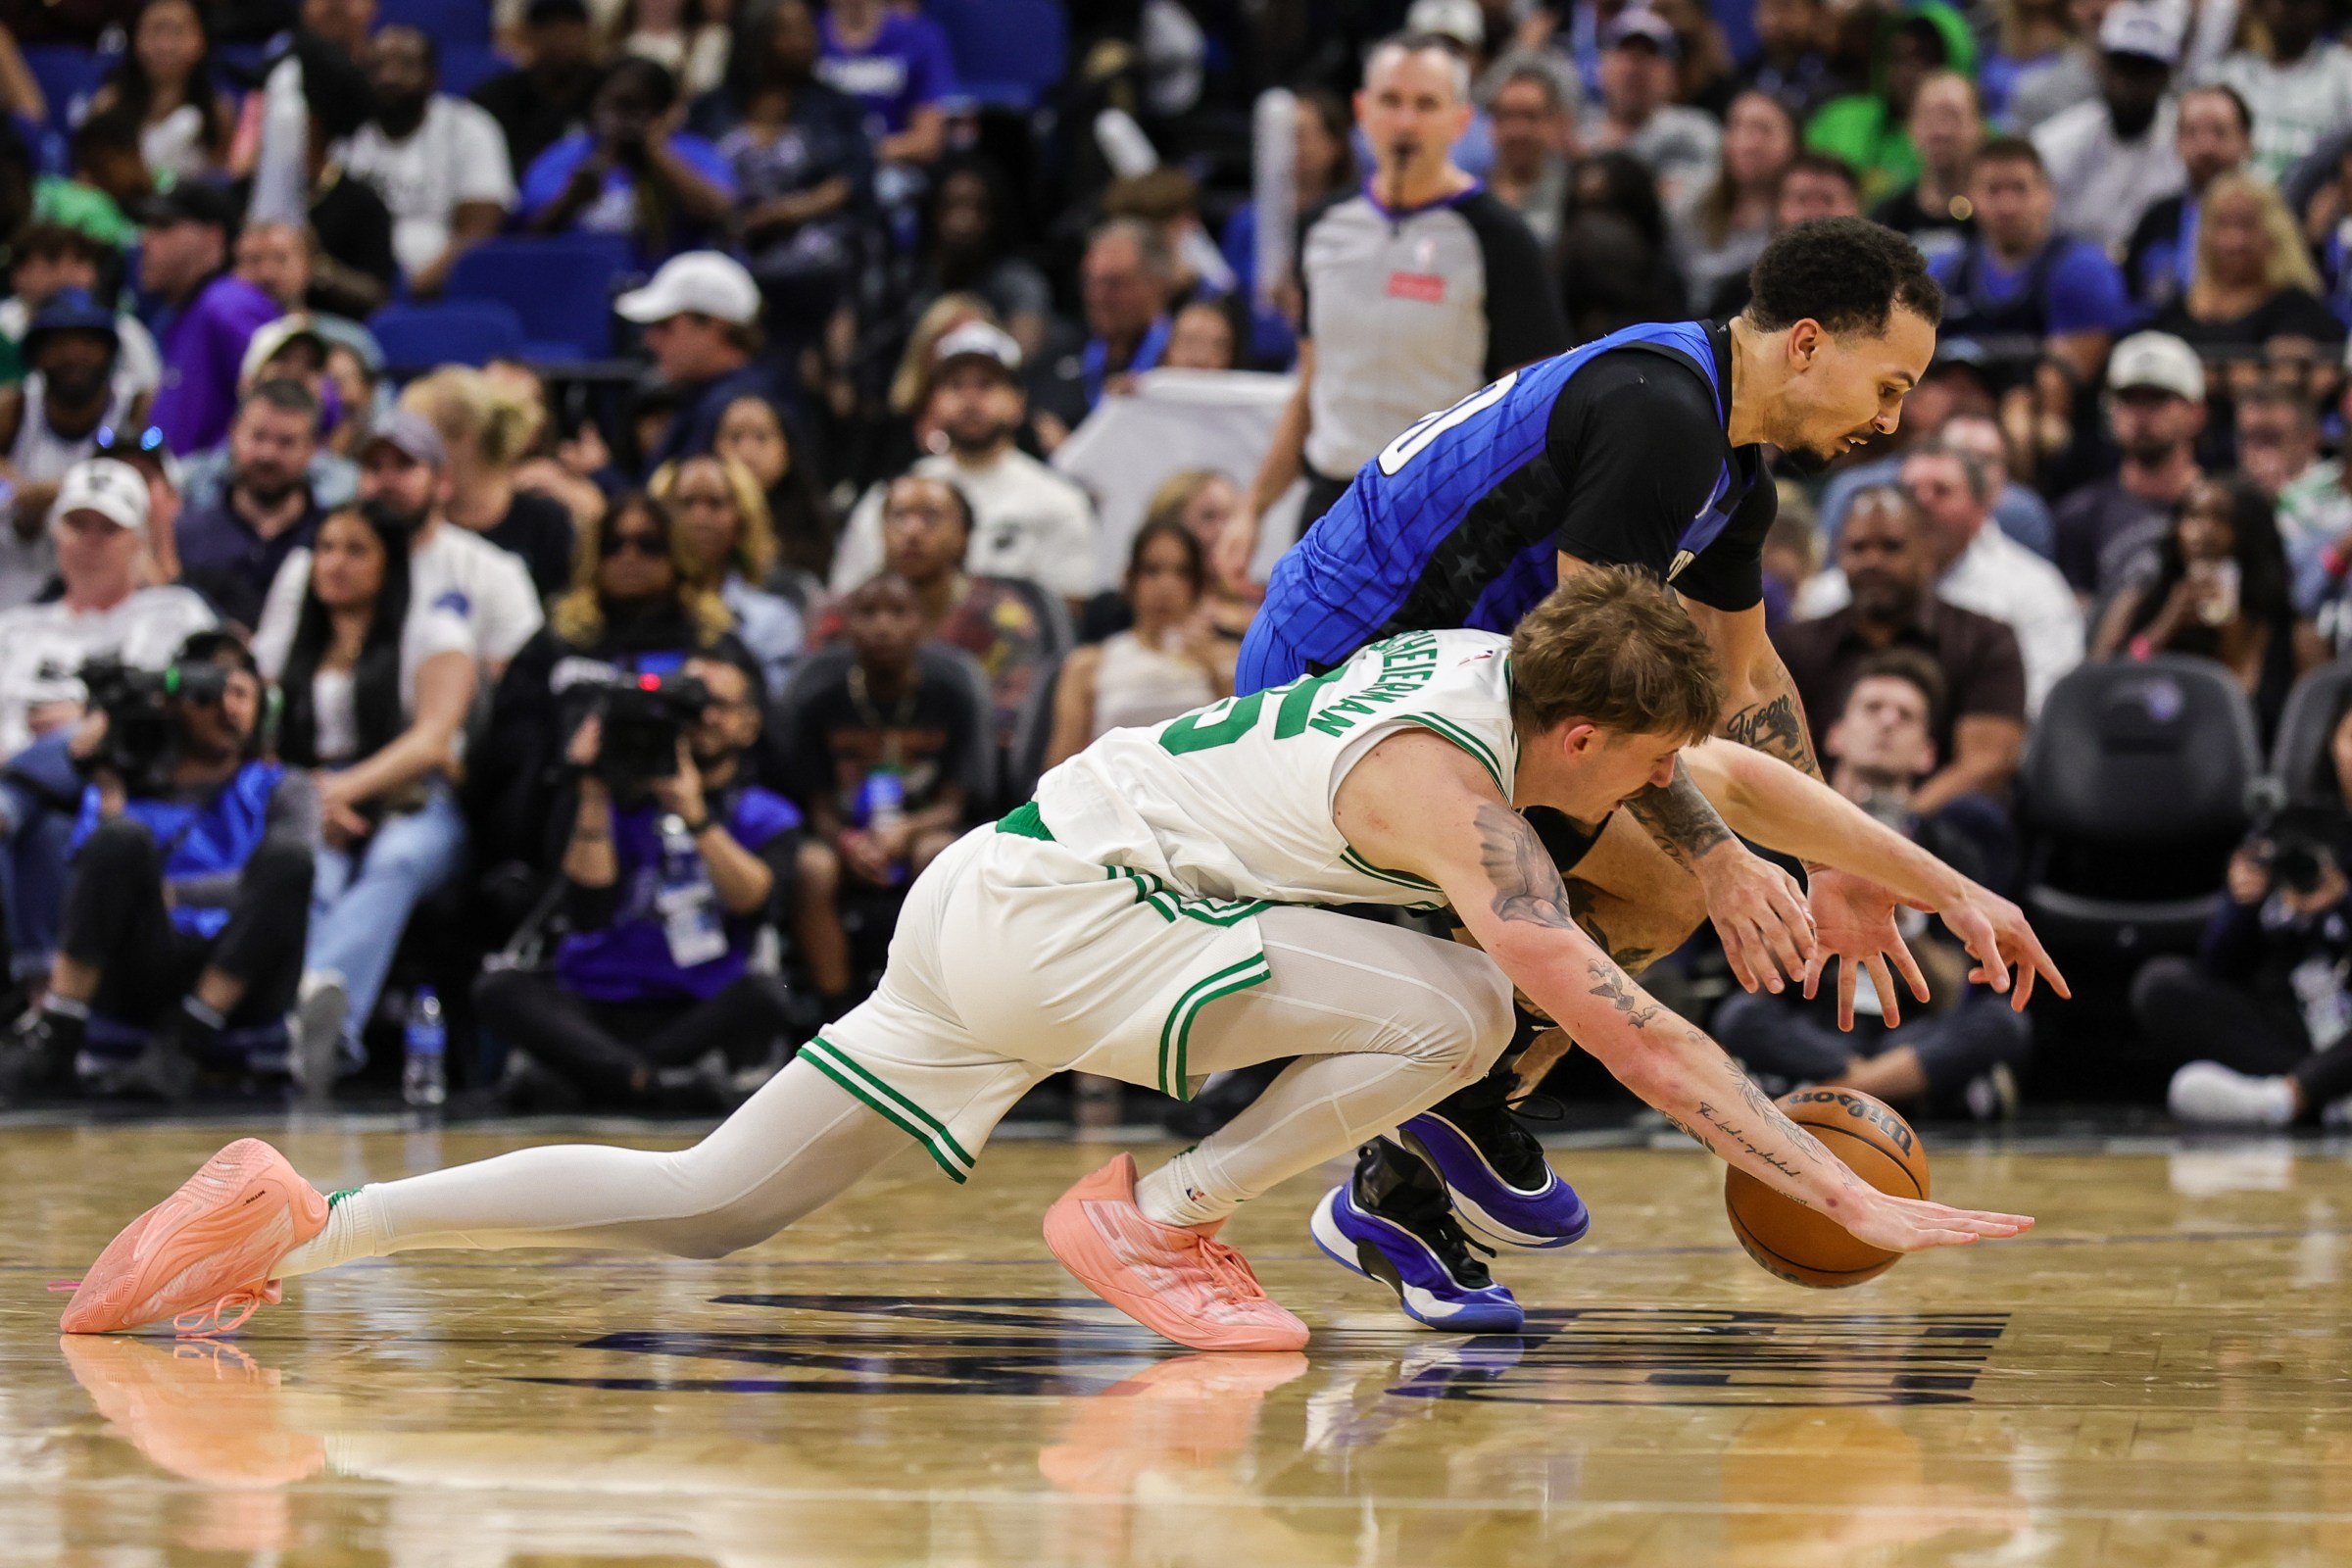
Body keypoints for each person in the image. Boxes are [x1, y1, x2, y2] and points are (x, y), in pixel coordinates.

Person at [52, 569, 2053, 1345]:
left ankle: (303, 1220)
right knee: (1463, 1000)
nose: (1664, 797)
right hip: (1082, 917)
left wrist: (1945, 879)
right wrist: (1824, 1184)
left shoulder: (1510, 667)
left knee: (707, 1202)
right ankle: (1167, 1210)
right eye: (1647, 772)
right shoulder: (1456, 792)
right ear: (1587, 735)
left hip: (1001, 891)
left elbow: (1728, 778)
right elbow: (1613, 1016)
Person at [1242, 32, 1568, 546]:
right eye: (1391, 101)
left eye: (1426, 104)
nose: (1406, 122)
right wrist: (1252, 507)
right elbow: (1310, 383)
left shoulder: (1500, 237)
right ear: (1361, 111)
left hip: (1442, 512)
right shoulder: (1322, 227)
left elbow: (1530, 407)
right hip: (1332, 504)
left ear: (1461, 121)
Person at [474, 645, 797, 1114]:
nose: (702, 716)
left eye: (719, 706)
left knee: (767, 997)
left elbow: (757, 902)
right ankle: (648, 1083)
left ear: (750, 725)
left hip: (692, 1005)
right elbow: (588, 912)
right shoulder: (611, 798)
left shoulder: (766, 813)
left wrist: (695, 816)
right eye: (689, 702)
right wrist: (591, 790)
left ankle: (606, 1078)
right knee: (499, 989)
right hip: (592, 1001)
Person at [1712, 652, 2033, 1118]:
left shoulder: (1949, 848)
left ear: (1926, 753)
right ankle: (1899, 1093)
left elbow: (1947, 993)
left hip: (1905, 1031)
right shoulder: (1783, 832)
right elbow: (1761, 973)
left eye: (1905, 715)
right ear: (1835, 736)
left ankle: (1827, 1098)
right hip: (1813, 1021)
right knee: (1740, 1016)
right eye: (1872, 708)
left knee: (2001, 1022)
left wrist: (1907, 925)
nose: (1887, 722)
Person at [3, 630, 313, 1102]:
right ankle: (57, 1032)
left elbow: (289, 880)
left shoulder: (281, 786)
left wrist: (180, 894)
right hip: (147, 962)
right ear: (176, 703)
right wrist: (107, 786)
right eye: (210, 694)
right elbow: (91, 878)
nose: (228, 708)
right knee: (118, 838)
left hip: (241, 967)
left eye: (241, 693)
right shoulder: (129, 779)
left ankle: (187, 1039)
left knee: (290, 858)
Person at [266, 501, 476, 1084]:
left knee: (396, 859)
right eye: (326, 549)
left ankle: (316, 1005)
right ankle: (320, 1034)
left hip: (416, 798)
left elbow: (434, 740)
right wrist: (317, 800)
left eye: (355, 550)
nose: (335, 563)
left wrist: (338, 792)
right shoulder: (294, 641)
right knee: (316, 874)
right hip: (324, 799)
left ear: (391, 563)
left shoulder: (433, 628)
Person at [473, 491, 743, 869]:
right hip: (571, 810)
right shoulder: (558, 642)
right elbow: (510, 748)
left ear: (677, 553)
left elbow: (747, 733)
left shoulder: (713, 641)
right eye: (612, 544)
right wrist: (568, 757)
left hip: (689, 804)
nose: (628, 557)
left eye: (649, 545)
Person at [784, 570, 985, 1010]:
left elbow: (953, 804)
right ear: (846, 624)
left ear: (924, 625)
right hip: (844, 836)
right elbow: (815, 805)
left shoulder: (952, 698)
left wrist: (906, 831)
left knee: (939, 855)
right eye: (868, 612)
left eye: (898, 612)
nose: (883, 626)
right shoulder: (822, 702)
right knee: (811, 867)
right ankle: (834, 1008)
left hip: (921, 833)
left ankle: (935, 1002)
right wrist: (847, 841)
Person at [2145, 710, 2352, 1126]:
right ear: (2332, 742)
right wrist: (2240, 904)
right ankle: (2328, 1093)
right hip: (2291, 1021)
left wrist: (2344, 902)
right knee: (2161, 985)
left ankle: (2291, 1097)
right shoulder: (2292, 824)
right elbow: (2218, 962)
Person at [1775, 485, 2029, 817]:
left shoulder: (1984, 640)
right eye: (1858, 548)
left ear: (1927, 552)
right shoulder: (1796, 643)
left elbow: (1987, 763)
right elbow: (1775, 755)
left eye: (1891, 547)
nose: (1872, 561)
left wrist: (1895, 825)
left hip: (1938, 829)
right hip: (1815, 822)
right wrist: (1836, 827)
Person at [256, 412, 545, 685]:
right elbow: (269, 670)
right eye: (374, 467)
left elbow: (518, 682)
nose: (386, 480)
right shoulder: (313, 567)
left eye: (404, 465)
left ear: (442, 480)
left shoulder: (493, 572)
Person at [1803, 442, 2085, 714]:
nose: (1923, 502)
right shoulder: (1835, 590)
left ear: (1980, 508)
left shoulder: (2034, 588)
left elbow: (2048, 704)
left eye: (1942, 491)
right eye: (1911, 490)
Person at [830, 323, 1102, 605]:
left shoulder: (1059, 502)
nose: (970, 399)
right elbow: (848, 597)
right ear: (934, 402)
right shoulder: (892, 497)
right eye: (955, 385)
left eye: (986, 384)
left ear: (1018, 402)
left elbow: (1068, 615)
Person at [0, 457, 215, 761]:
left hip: (131, 781)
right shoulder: (11, 630)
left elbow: (210, 704)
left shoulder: (177, 614)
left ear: (138, 540)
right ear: (56, 534)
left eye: (108, 528)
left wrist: (97, 719)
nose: (90, 540)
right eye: (77, 525)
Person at [816, 473, 1048, 754]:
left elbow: (1011, 722)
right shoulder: (842, 612)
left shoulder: (1002, 617)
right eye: (899, 517)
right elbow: (811, 702)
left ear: (964, 535)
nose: (912, 531)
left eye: (931, 517)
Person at [2091, 475, 2323, 741]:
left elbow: (2309, 740)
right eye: (2192, 516)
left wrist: (2232, 634)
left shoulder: (2296, 635)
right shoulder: (2136, 604)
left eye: (2222, 519)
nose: (2203, 532)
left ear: (2253, 533)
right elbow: (2105, 691)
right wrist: (2165, 626)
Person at [1929, 137, 2136, 387]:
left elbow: (2066, 383)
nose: (2007, 206)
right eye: (1993, 190)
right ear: (1971, 197)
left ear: (2046, 194)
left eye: (2019, 188)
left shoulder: (2084, 271)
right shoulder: (1942, 275)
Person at [342, 25, 518, 296]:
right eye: (377, 66)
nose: (389, 76)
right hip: (356, 289)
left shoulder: (470, 128)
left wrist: (418, 285)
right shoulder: (346, 133)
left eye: (406, 65)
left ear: (433, 77)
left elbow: (478, 230)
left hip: (444, 289)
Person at [1044, 522, 1229, 769]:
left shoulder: (1226, 662)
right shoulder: (1087, 665)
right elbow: (1059, 769)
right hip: (1114, 795)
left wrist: (1216, 674)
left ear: (1197, 586)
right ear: (1129, 581)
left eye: (1182, 572)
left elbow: (1243, 751)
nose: (1166, 586)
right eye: (1152, 570)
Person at [518, 57, 736, 264]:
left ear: (664, 111)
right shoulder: (565, 156)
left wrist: (658, 154)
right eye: (614, 105)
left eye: (637, 108)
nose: (622, 119)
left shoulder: (691, 151)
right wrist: (571, 199)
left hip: (667, 288)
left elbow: (720, 214)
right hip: (580, 284)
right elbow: (527, 241)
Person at [2050, 329, 2207, 597]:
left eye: (2157, 399)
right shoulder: (2078, 516)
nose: (2140, 416)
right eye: (2128, 400)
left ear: (2195, 413)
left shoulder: (2225, 511)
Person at [398, 367, 576, 600]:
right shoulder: (409, 521)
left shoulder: (545, 520)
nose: (413, 459)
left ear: (465, 441)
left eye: (422, 445)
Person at [0, 289, 145, 564]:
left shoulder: (137, 407)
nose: (73, 354)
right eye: (59, 343)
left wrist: (62, 491)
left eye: (87, 341)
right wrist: (15, 493)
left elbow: (155, 484)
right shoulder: (13, 407)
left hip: (108, 575)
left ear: (109, 349)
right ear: (37, 353)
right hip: (17, 582)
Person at [174, 379, 333, 630]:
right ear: (234, 433)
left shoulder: (330, 542)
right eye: (258, 437)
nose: (268, 454)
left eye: (286, 442)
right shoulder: (186, 536)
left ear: (312, 447)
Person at [2031, 2, 2183, 260]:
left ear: (2165, 76)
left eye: (2143, 69)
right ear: (2103, 67)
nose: (2128, 83)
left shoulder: (2184, 143)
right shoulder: (2057, 142)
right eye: (2122, 66)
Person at [137, 182, 278, 457]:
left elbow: (292, 403)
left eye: (164, 227)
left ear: (212, 238)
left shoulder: (228, 306)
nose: (145, 241)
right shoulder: (177, 316)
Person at [615, 250, 781, 476]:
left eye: (665, 325)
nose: (650, 340)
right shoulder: (703, 399)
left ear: (715, 326)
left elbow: (675, 509)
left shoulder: (729, 410)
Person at [650, 452, 805, 692]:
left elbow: (774, 708)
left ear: (742, 518)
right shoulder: (636, 609)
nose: (699, 518)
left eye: (715, 503)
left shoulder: (772, 620)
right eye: (686, 503)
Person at [2149, 173, 2344, 355]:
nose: (2234, 241)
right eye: (2222, 225)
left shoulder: (2298, 311)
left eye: (2247, 225)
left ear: (2273, 233)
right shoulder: (2179, 310)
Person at [912, 158, 1056, 365]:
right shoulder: (914, 281)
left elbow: (1023, 361)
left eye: (975, 208)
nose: (962, 223)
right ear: (935, 214)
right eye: (952, 207)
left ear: (992, 217)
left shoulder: (1019, 282)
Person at [2124, 83, 2252, 313]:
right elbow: (2131, 298)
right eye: (2191, 133)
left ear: (2246, 141)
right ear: (2177, 144)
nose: (2205, 147)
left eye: (2219, 132)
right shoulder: (2156, 219)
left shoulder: (2271, 218)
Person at [1579, 9, 1722, 205]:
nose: (1635, 67)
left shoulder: (1695, 132)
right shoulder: (1579, 131)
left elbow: (1688, 204)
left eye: (1649, 54)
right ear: (1602, 67)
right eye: (1625, 53)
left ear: (1671, 74)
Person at [1671, 91, 1797, 310]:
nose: (1745, 143)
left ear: (1793, 143)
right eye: (1736, 127)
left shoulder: (1801, 214)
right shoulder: (1691, 205)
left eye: (1762, 130)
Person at [85, 0, 234, 182]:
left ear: (201, 40)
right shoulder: (108, 104)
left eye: (177, 32)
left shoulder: (218, 113)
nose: (166, 46)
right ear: (135, 39)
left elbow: (224, 184)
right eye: (156, 31)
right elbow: (87, 181)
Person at [2204, 0, 2352, 183]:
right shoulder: (2228, 77)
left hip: (2308, 206)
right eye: (2281, 2)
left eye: (2299, 3)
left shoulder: (2344, 75)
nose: (2288, 9)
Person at [471, 0, 607, 176]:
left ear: (587, 32)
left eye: (569, 27)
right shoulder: (495, 97)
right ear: (527, 34)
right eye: (547, 27)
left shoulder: (609, 90)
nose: (559, 37)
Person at [813, 0, 954, 170]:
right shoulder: (804, 34)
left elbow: (928, 142)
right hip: (818, 168)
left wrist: (859, 154)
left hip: (895, 170)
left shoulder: (919, 36)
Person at [713, 391, 833, 581]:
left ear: (787, 448)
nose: (747, 453)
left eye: (761, 437)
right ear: (714, 446)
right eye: (735, 438)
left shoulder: (818, 522)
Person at [1870, 72, 1978, 272]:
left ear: (1978, 126)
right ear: (1911, 127)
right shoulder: (1888, 217)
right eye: (1929, 117)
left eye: (1952, 116)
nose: (1940, 131)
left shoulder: (1994, 213)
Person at [1481, 52, 1578, 259]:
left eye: (1530, 116)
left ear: (1555, 123)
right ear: (1492, 126)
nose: (1517, 130)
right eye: (1506, 116)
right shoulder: (1471, 193)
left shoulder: (1573, 195)